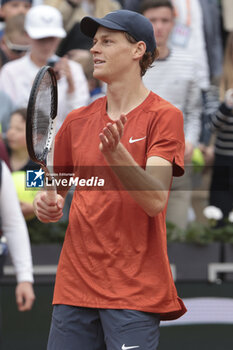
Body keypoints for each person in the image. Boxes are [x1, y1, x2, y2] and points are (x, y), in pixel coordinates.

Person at [33, 9, 187, 349]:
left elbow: (155, 200)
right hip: (75, 287)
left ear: (137, 51)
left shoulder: (164, 117)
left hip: (133, 290)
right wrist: (45, 203)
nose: (94, 50)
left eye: (107, 41)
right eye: (94, 42)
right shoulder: (76, 120)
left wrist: (118, 157)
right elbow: (51, 194)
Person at [141, 0, 202, 229]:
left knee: (176, 235)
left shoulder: (189, 63)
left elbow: (195, 111)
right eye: (152, 21)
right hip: (138, 164)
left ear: (173, 24)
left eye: (165, 20)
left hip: (177, 162)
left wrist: (192, 141)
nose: (159, 27)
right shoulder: (130, 65)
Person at [0, 5, 90, 130]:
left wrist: (71, 87)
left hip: (64, 144)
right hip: (25, 147)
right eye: (41, 39)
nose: (47, 45)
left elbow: (80, 119)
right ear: (27, 35)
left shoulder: (73, 70)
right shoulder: (10, 71)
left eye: (51, 38)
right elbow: (14, 120)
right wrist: (40, 89)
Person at [0, 159, 35, 311]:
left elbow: (13, 224)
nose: (11, 133)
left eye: (19, 132)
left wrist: (24, 277)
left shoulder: (34, 167)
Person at [208, 32, 233, 226]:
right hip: (223, 161)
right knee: (220, 220)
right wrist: (226, 105)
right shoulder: (219, 82)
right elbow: (211, 125)